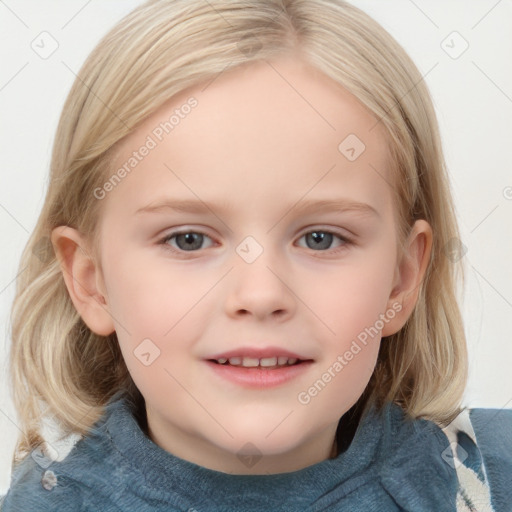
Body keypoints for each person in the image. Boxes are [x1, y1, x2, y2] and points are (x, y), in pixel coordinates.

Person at [1, 0, 511, 510]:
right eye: (189, 240)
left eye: (321, 238)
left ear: (402, 280)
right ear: (91, 281)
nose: (261, 294)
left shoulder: (486, 477)